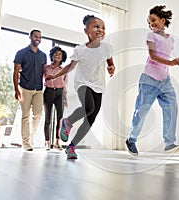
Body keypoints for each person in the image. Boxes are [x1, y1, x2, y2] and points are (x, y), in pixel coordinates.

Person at [46, 15, 115, 159]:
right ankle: (68, 121)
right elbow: (70, 67)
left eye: (103, 28)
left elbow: (110, 61)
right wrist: (54, 76)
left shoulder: (107, 47)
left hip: (99, 85)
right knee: (88, 107)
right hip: (83, 83)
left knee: (91, 119)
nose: (100, 30)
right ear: (86, 30)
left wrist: (111, 67)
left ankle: (71, 147)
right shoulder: (80, 49)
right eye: (96, 26)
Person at [125, 5, 179, 156]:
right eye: (149, 22)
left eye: (154, 20)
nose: (151, 24)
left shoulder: (171, 39)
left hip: (165, 80)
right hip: (149, 79)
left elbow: (164, 56)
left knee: (172, 108)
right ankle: (131, 139)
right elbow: (152, 56)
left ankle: (169, 143)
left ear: (163, 20)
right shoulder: (151, 36)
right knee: (142, 110)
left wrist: (171, 63)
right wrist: (171, 63)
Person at [13, 29, 47, 151]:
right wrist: (16, 90)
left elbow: (44, 72)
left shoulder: (43, 56)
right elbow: (16, 72)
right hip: (24, 88)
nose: (38, 38)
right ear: (30, 37)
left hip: (38, 89)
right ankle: (25, 142)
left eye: (40, 37)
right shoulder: (21, 53)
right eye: (36, 36)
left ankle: (31, 136)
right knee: (25, 115)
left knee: (38, 114)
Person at [43, 47, 68, 151]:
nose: (57, 55)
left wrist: (65, 99)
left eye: (60, 54)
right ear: (52, 55)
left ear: (62, 58)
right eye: (55, 53)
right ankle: (47, 143)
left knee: (59, 119)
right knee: (47, 119)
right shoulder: (45, 67)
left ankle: (57, 143)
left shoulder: (63, 70)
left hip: (59, 93)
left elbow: (65, 85)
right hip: (48, 92)